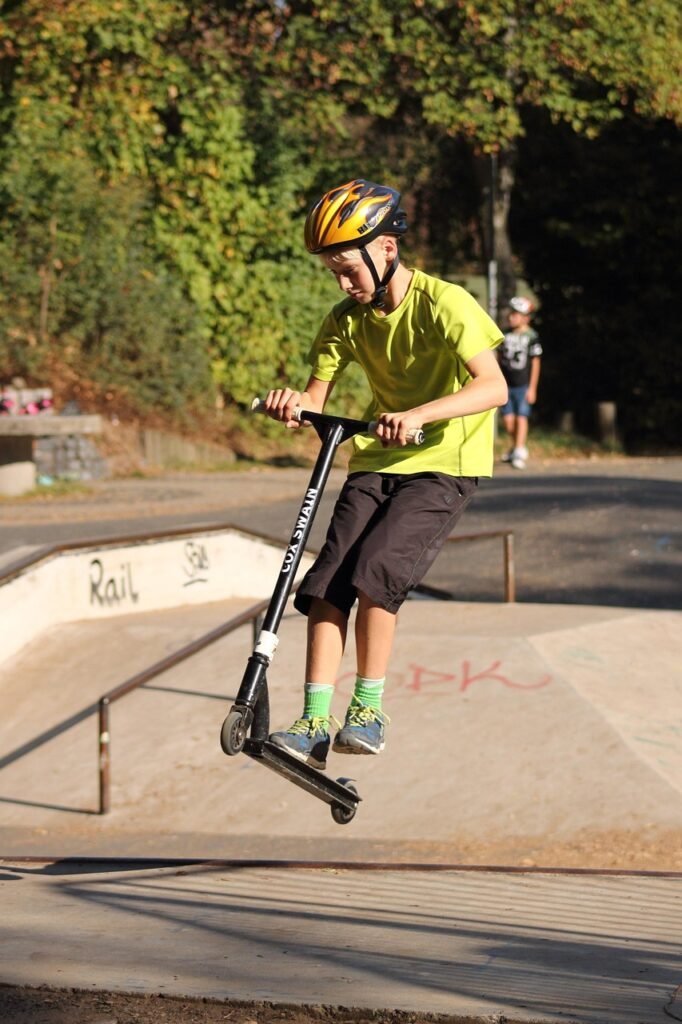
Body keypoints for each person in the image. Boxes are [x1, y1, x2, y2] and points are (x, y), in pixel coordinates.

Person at [262, 178, 507, 769]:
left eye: (349, 269)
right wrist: (294, 405)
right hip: (375, 459)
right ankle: (314, 724)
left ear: (386, 250)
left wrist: (419, 414)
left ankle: (367, 712)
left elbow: (493, 385)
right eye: (333, 273)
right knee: (326, 584)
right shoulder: (346, 319)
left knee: (377, 573)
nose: (343, 284)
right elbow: (317, 398)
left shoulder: (446, 303)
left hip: (443, 465)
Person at [497, 296, 543, 469]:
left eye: (516, 314)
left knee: (521, 418)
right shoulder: (505, 335)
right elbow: (499, 358)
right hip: (506, 384)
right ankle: (517, 446)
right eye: (511, 313)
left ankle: (518, 449)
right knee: (509, 420)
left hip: (523, 384)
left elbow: (536, 363)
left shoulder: (531, 337)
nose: (511, 317)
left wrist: (532, 388)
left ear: (526, 317)